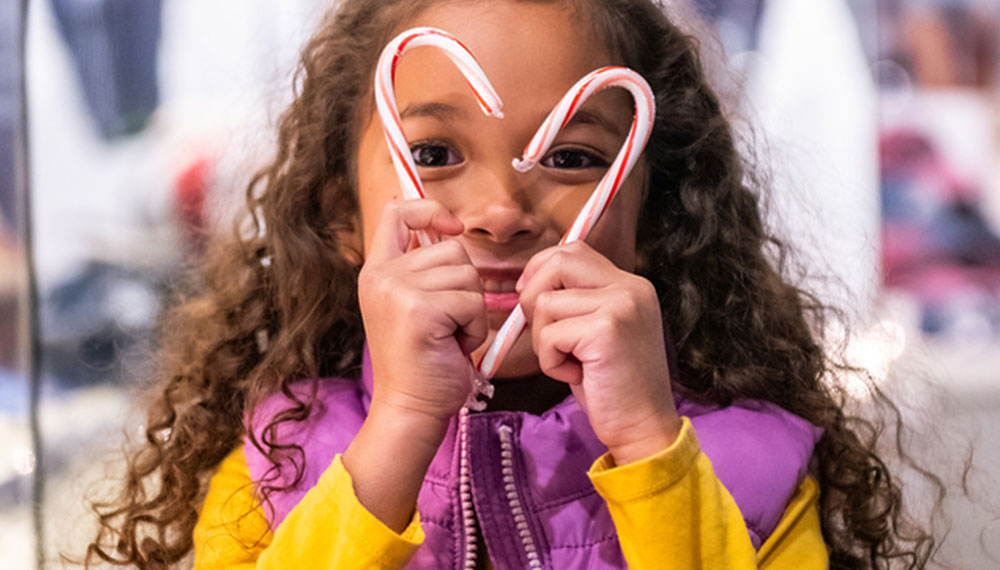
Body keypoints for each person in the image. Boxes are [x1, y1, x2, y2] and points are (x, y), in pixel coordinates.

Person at [86, 0, 937, 568]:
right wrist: (399, 432)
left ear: (657, 213)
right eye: (434, 155)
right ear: (343, 217)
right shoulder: (276, 466)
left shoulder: (756, 473)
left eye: (572, 158)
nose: (499, 211)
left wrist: (649, 445)